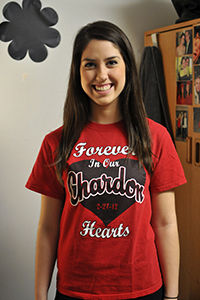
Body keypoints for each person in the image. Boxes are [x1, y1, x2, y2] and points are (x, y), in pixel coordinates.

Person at [26, 21, 186, 300]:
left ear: (127, 67)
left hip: (143, 288)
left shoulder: (156, 137)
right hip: (76, 289)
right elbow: (49, 228)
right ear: (78, 72)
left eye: (111, 62)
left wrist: (172, 296)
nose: (101, 74)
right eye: (90, 64)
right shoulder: (56, 143)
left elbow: (165, 223)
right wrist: (40, 295)